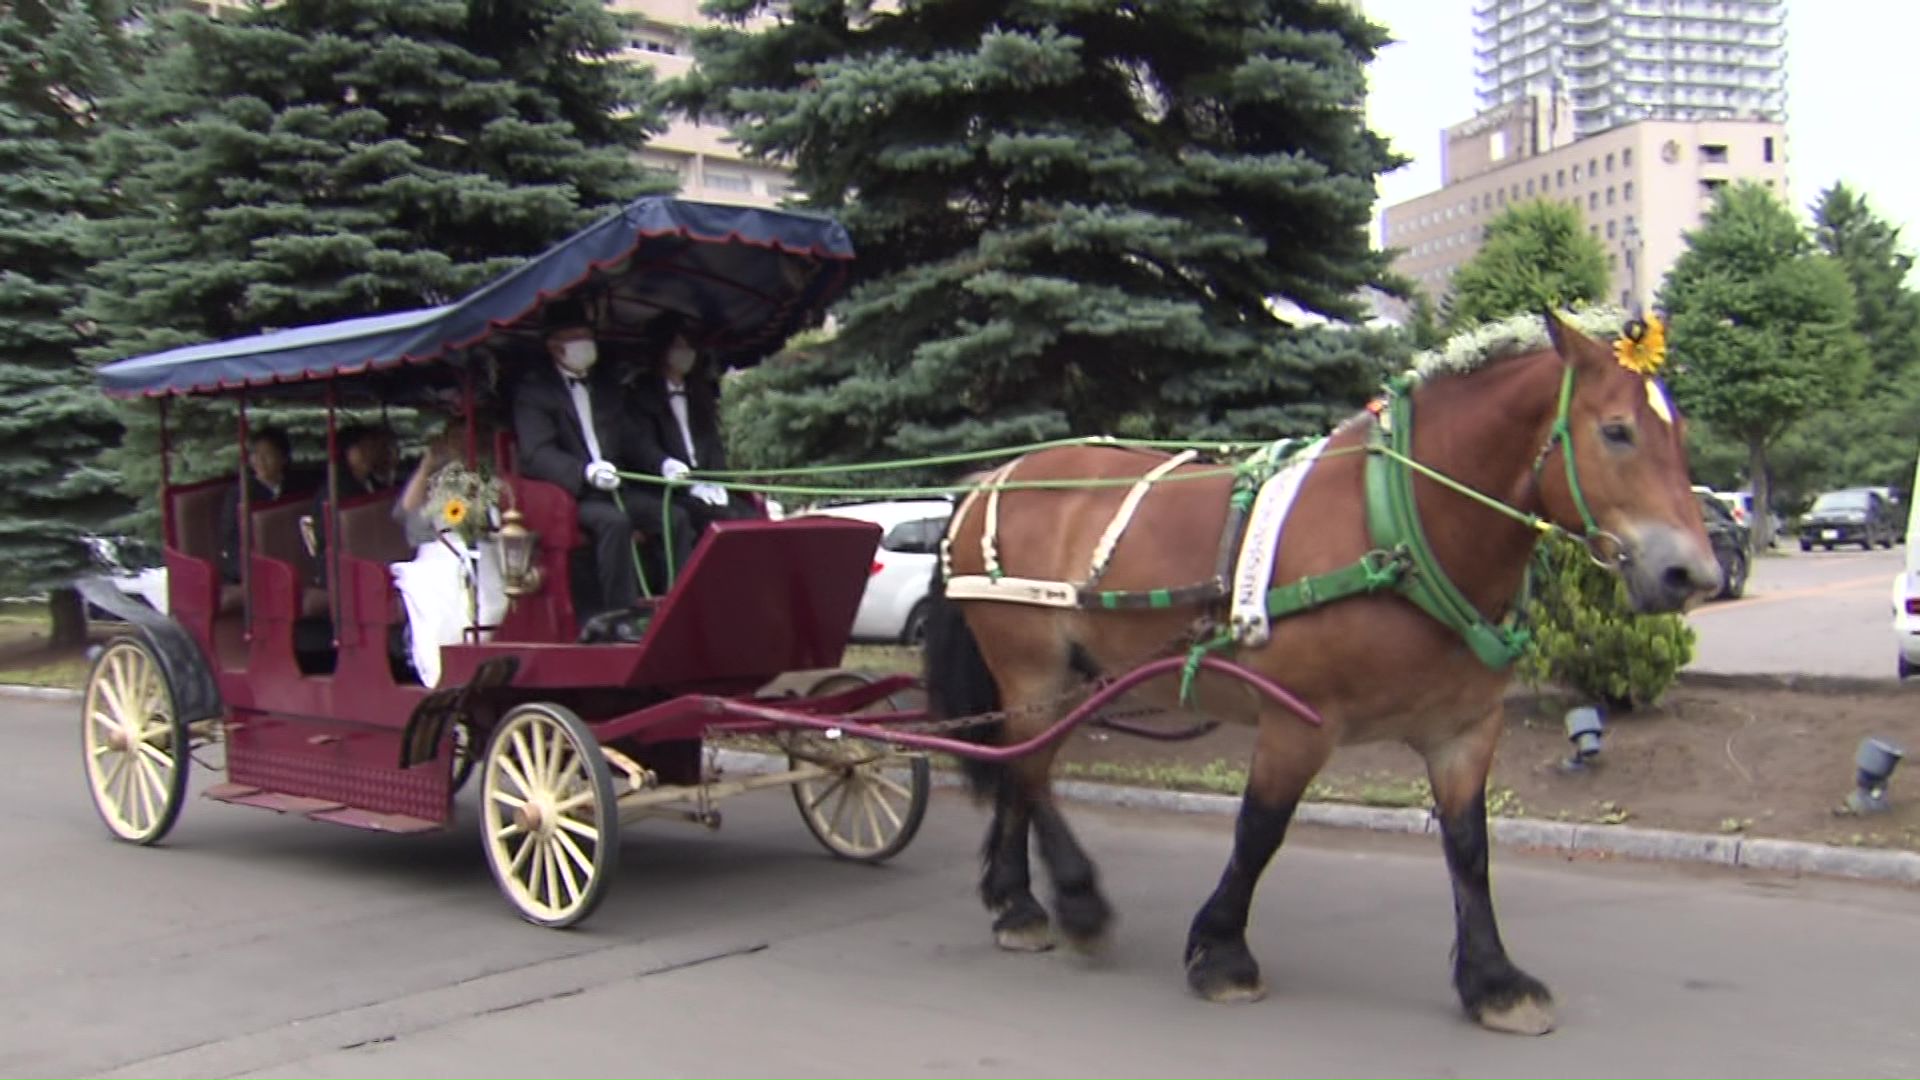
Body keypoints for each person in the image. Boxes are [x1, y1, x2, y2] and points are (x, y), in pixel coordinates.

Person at [511, 297, 692, 616]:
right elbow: (537, 454)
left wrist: (663, 462)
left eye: (587, 336)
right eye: (576, 339)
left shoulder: (606, 387)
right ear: (555, 346)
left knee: (674, 517)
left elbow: (632, 438)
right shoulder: (535, 392)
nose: (586, 345)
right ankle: (619, 615)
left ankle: (678, 601)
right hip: (572, 496)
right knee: (615, 523)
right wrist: (584, 472)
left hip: (617, 488)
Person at [388, 422, 508, 687]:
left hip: (484, 548)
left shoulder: (484, 473)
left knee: (496, 594)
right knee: (444, 592)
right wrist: (427, 465)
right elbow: (407, 516)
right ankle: (452, 663)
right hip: (441, 550)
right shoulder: (438, 477)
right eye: (454, 439)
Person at [630, 316, 760, 537]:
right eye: (679, 346)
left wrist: (720, 483)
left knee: (752, 519)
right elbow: (643, 447)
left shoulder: (700, 394)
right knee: (720, 521)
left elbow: (713, 445)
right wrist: (681, 479)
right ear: (661, 350)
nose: (686, 352)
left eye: (689, 346)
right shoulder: (641, 394)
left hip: (708, 484)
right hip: (670, 490)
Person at [217, 426, 314, 586]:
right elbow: (231, 539)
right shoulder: (240, 493)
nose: (260, 461)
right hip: (252, 568)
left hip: (292, 560)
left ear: (283, 458)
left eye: (267, 454)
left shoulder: (296, 486)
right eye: (255, 454)